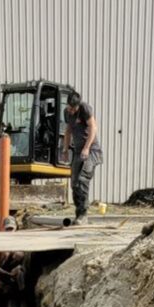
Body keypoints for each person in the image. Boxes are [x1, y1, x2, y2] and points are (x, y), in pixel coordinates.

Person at [61, 91, 102, 225]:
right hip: (78, 151)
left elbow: (93, 127)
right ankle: (79, 214)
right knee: (74, 183)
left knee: (83, 180)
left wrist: (87, 147)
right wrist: (65, 149)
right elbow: (67, 131)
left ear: (78, 105)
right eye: (69, 107)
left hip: (91, 151)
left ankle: (84, 215)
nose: (71, 110)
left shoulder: (84, 109)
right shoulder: (67, 112)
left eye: (73, 108)